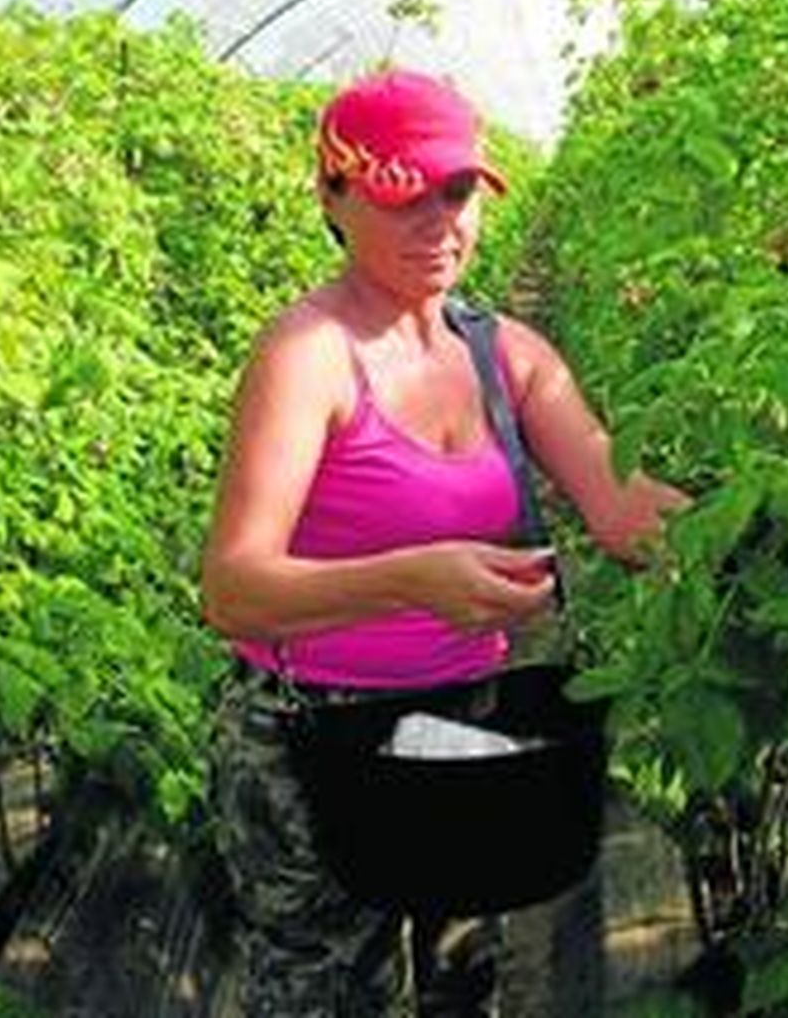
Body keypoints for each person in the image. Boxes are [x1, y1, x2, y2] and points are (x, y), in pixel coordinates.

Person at [200, 68, 689, 1017]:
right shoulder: (307, 357)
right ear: (332, 197)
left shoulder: (506, 351)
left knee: (465, 975)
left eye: (457, 191)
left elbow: (620, 502)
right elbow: (234, 589)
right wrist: (411, 583)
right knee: (325, 991)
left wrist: (771, 541)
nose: (438, 220)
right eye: (399, 192)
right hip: (312, 740)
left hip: (465, 724)